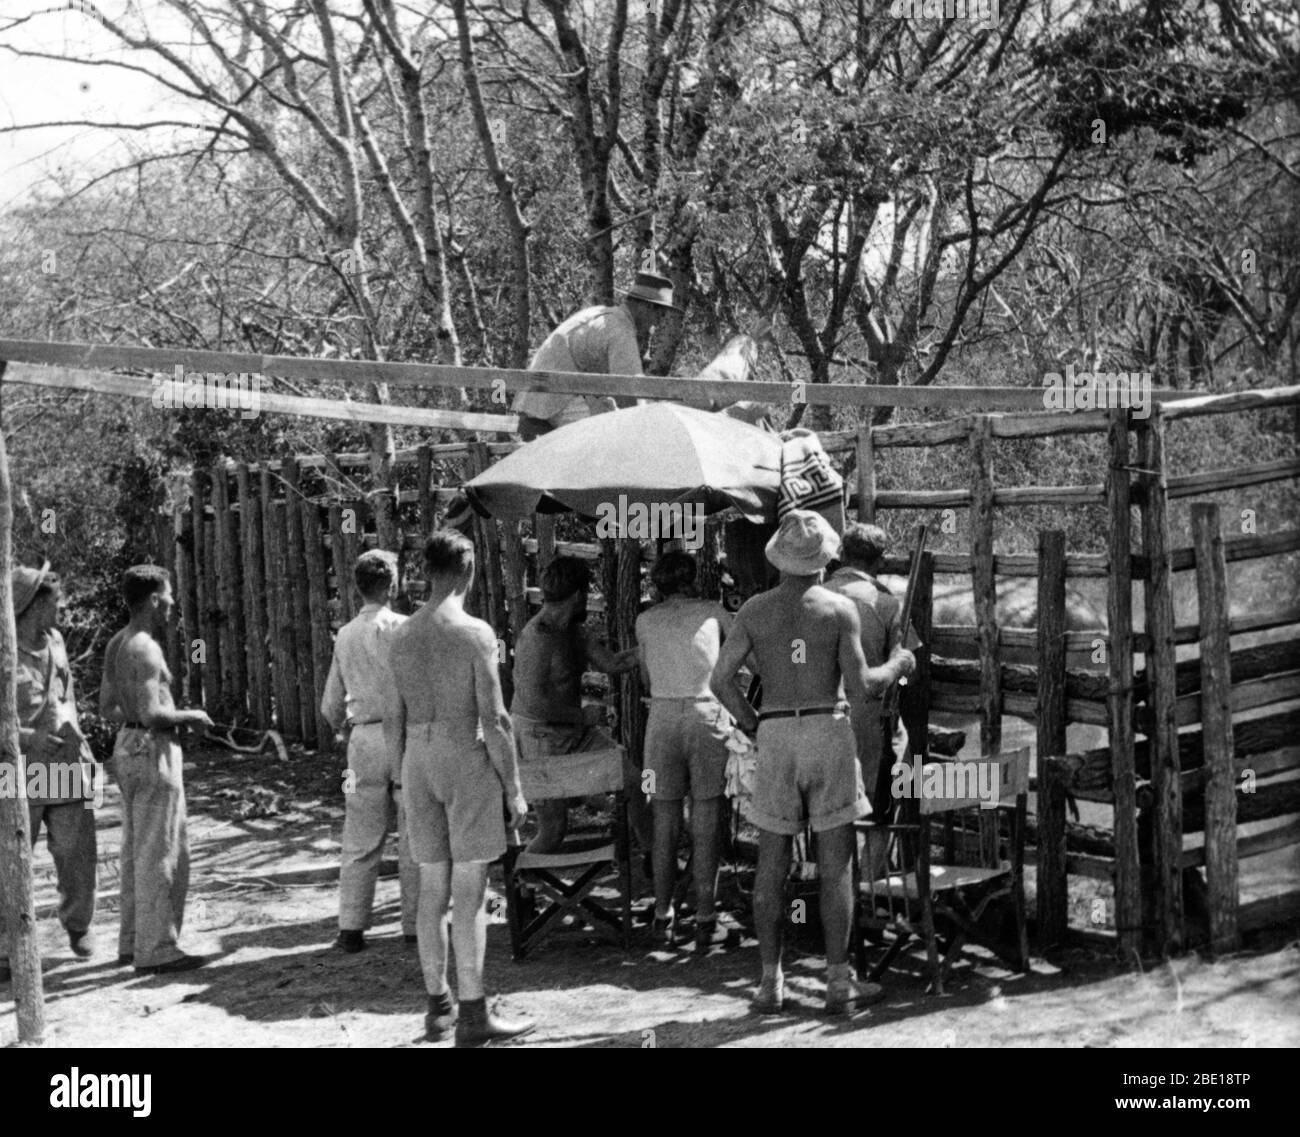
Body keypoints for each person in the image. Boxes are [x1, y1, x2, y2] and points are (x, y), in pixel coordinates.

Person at [710, 510, 901, 1015]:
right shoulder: (839, 610)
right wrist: (900, 663)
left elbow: (720, 681)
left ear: (779, 556)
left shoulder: (754, 610)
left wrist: (753, 724)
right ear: (824, 559)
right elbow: (864, 686)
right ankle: (837, 984)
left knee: (772, 862)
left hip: (776, 730)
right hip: (826, 728)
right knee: (835, 863)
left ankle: (769, 983)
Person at [384, 530, 533, 1046]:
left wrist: (400, 780)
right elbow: (494, 719)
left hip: (416, 759)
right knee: (470, 894)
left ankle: (438, 1007)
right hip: (462, 754)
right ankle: (473, 1013)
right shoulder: (474, 633)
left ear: (428, 570)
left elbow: (392, 718)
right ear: (467, 566)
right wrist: (513, 788)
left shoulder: (399, 634)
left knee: (432, 889)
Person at [99, 565, 213, 974]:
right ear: (152, 600)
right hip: (153, 751)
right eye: (168, 596)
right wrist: (191, 715)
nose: (171, 604)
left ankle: (131, 943)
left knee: (135, 851)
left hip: (125, 748)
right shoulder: (146, 647)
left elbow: (108, 707)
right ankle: (157, 949)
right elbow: (152, 712)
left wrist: (136, 721)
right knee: (161, 851)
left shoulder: (117, 642)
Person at [0, 563, 99, 986]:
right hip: (15, 766)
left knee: (76, 849)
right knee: (9, 857)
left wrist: (84, 744)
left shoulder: (56, 641)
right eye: (53, 602)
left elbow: (67, 693)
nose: (59, 608)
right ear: (30, 606)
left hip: (61, 762)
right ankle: (6, 947)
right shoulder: (3, 650)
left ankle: (78, 924)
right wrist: (24, 738)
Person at [635, 551, 737, 950]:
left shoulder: (645, 620)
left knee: (664, 818)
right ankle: (706, 919)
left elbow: (645, 678)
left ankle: (663, 916)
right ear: (692, 578)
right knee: (706, 816)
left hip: (660, 716)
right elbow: (739, 655)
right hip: (705, 711)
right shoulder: (714, 611)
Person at [320, 550, 419, 952]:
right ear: (393, 586)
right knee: (412, 830)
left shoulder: (344, 634)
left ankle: (351, 927)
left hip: (362, 737)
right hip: (405, 734)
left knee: (360, 831)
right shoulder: (406, 628)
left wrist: (346, 729)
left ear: (357, 587)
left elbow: (329, 705)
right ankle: (414, 926)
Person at [510, 555, 640, 855]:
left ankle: (650, 855)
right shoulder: (536, 638)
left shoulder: (572, 630)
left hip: (574, 729)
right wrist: (583, 717)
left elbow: (613, 663)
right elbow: (534, 704)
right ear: (580, 595)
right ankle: (520, 888)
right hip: (540, 736)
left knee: (635, 781)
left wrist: (657, 642)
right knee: (554, 830)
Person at [513, 270, 681, 440]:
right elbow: (629, 393)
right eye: (659, 313)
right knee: (603, 446)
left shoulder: (602, 315)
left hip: (537, 396)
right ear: (646, 307)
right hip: (555, 398)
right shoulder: (620, 330)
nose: (658, 321)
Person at [825, 523, 918, 820]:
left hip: (821, 716)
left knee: (828, 812)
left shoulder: (813, 595)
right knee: (879, 812)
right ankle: (874, 867)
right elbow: (906, 669)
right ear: (879, 560)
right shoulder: (887, 603)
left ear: (842, 555)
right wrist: (901, 674)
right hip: (870, 720)